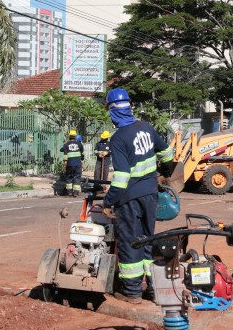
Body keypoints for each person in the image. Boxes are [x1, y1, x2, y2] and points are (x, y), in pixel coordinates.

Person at [102, 88, 173, 304]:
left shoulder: (118, 138)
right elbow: (167, 152)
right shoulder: (146, 127)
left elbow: (122, 177)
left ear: (113, 112)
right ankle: (153, 289)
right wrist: (165, 173)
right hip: (150, 194)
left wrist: (108, 201)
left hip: (130, 199)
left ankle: (132, 292)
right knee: (147, 239)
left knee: (130, 241)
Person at [61, 129, 84, 197]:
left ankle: (69, 192)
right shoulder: (79, 144)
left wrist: (64, 164)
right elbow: (82, 154)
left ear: (69, 136)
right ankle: (76, 193)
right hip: (77, 164)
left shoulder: (66, 145)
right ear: (75, 136)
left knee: (69, 177)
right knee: (77, 177)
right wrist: (82, 161)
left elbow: (65, 156)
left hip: (69, 164)